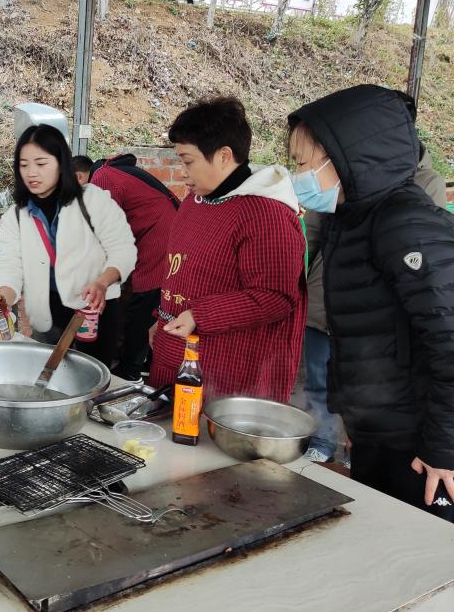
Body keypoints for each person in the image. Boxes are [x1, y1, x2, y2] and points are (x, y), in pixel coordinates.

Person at [288, 85, 454, 612]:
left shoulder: (406, 223)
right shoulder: (351, 219)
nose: (299, 176)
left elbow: (450, 340)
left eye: (304, 162)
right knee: (382, 566)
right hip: (381, 428)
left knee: (425, 580)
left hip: (422, 442)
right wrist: (352, 413)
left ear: (347, 158)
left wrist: (444, 449)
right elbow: (361, 332)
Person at [149, 97, 306, 402]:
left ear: (223, 156)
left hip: (224, 374)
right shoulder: (195, 201)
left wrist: (200, 315)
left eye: (188, 161)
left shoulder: (265, 213)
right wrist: (162, 317)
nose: (182, 172)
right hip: (175, 353)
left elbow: (276, 296)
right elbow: (181, 272)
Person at [301, 144, 446, 465]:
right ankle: (323, 439)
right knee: (319, 378)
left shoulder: (425, 182)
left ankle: (357, 447)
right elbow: (312, 233)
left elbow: (424, 252)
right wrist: (303, 279)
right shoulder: (339, 178)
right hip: (324, 297)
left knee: (368, 383)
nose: (301, 172)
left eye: (302, 161)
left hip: (378, 312)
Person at [0, 125, 137, 366]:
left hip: (94, 309)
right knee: (48, 375)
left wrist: (102, 282)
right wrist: (1, 301)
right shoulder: (15, 216)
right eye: (24, 165)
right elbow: (10, 266)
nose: (31, 173)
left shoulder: (93, 200)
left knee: (91, 376)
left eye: (41, 163)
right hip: (48, 308)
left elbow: (123, 251)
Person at [91, 154, 178, 381]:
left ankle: (130, 371)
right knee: (147, 301)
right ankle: (143, 362)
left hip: (158, 239)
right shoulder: (114, 172)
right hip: (165, 232)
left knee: (144, 302)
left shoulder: (102, 177)